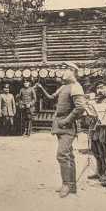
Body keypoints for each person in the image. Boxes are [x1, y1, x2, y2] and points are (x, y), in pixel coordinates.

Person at [40, 62, 86, 198]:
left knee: (62, 154)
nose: (61, 72)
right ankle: (71, 185)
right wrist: (41, 88)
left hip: (68, 126)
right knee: (68, 155)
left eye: (64, 70)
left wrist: (66, 121)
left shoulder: (76, 87)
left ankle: (67, 185)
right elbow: (51, 97)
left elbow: (80, 108)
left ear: (72, 71)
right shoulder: (64, 87)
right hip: (60, 125)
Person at [87, 80, 106, 182]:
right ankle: (99, 171)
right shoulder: (97, 100)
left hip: (103, 129)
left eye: (101, 88)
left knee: (103, 151)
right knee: (95, 150)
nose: (99, 90)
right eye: (97, 88)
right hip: (94, 128)